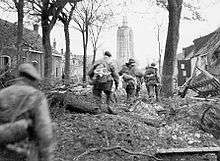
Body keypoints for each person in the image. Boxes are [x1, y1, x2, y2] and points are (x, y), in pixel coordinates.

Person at [0, 63, 54, 161]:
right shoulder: (36, 96)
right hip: (26, 153)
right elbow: (44, 129)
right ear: (33, 79)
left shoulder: (2, 94)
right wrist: (47, 156)